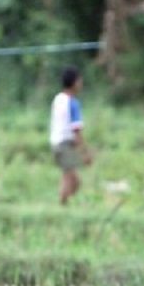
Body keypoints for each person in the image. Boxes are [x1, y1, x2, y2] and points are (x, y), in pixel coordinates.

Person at [49, 67, 92, 205]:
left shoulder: (58, 99)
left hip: (55, 141)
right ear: (74, 83)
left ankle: (64, 203)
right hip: (65, 143)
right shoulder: (73, 103)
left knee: (69, 176)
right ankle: (63, 204)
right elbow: (76, 130)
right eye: (79, 81)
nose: (81, 83)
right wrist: (85, 152)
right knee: (71, 179)